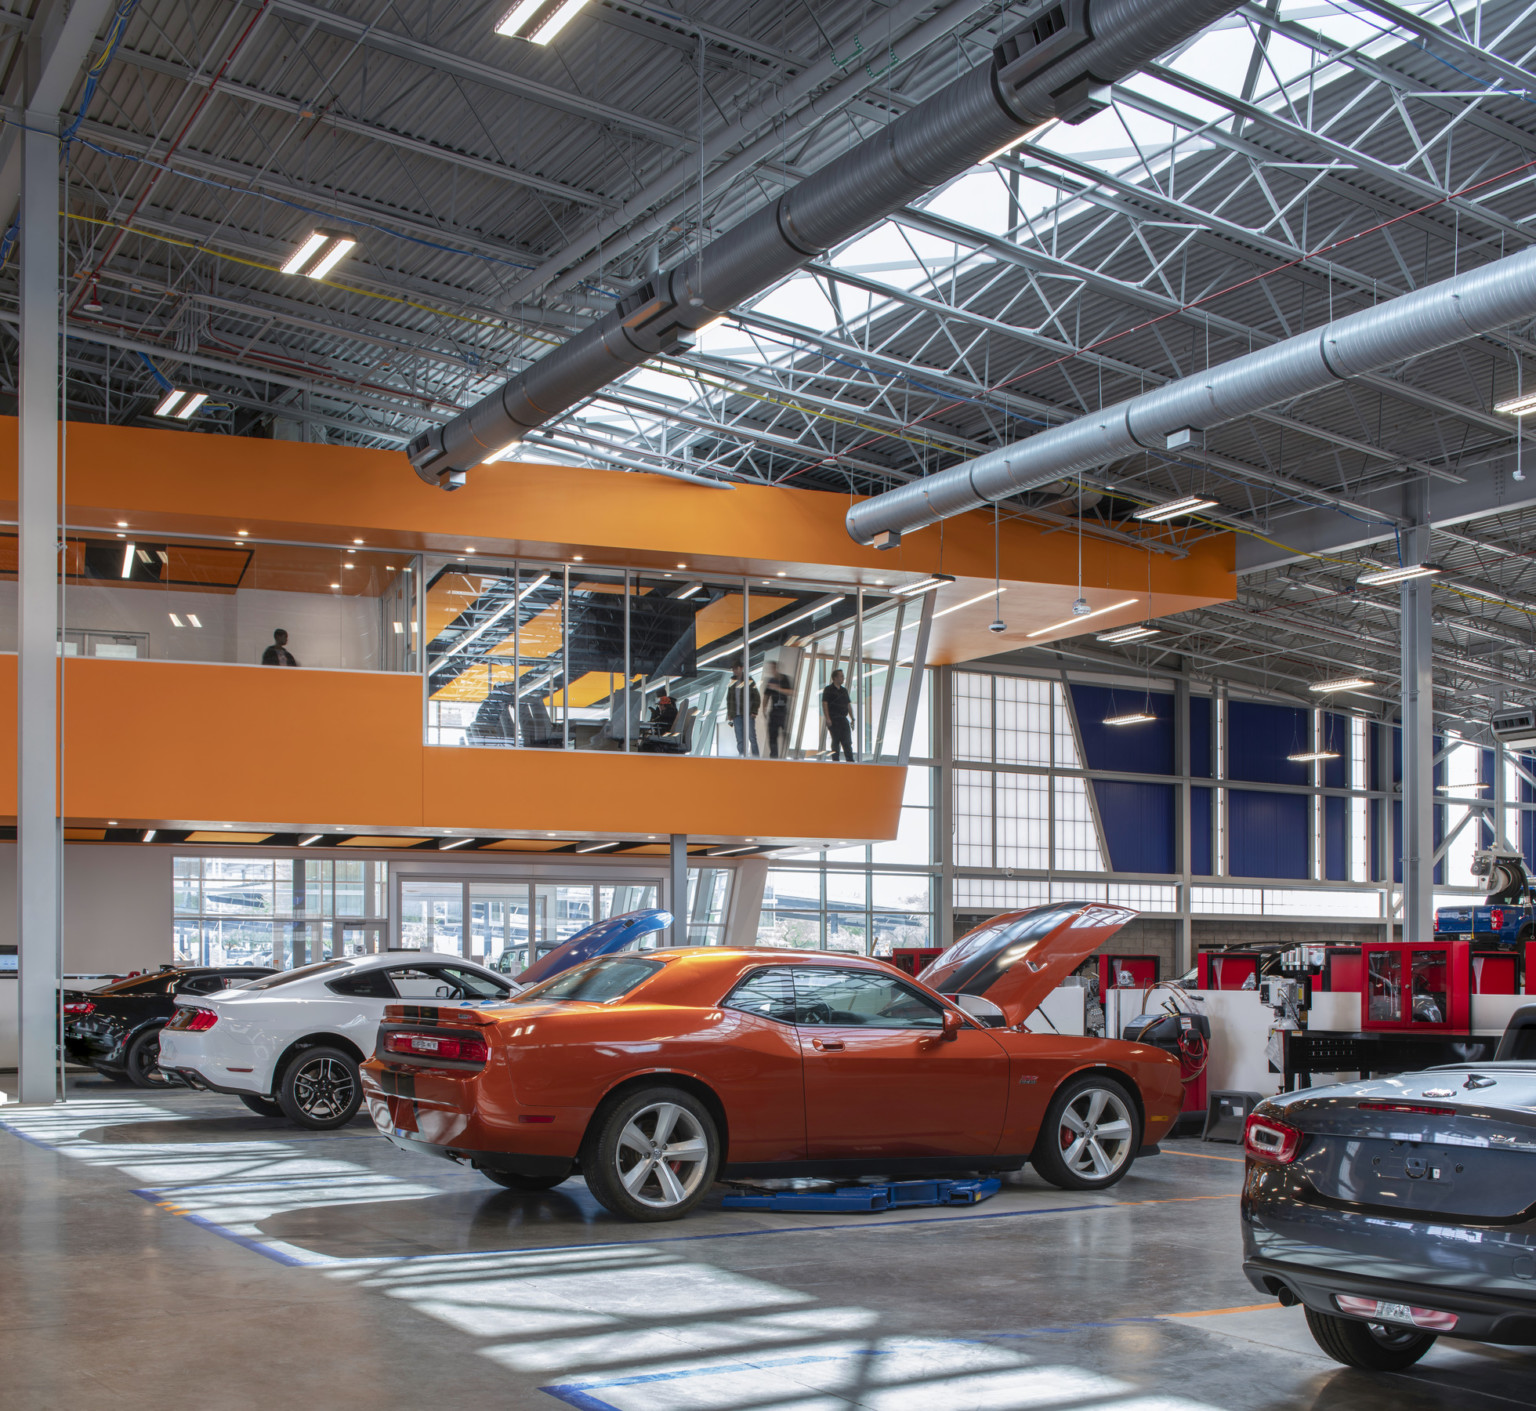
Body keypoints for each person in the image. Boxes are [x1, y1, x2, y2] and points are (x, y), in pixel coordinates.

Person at [726, 663, 760, 758]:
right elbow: (729, 699)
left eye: (736, 668)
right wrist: (729, 713)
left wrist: (754, 711)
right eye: (733, 669)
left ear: (741, 668)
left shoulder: (749, 681)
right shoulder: (732, 682)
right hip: (736, 715)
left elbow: (756, 697)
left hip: (748, 713)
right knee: (740, 738)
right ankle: (742, 757)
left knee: (751, 737)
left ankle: (756, 757)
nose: (734, 671)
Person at [821, 668, 855, 761]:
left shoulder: (844, 691)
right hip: (833, 719)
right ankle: (835, 761)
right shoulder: (828, 689)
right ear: (835, 678)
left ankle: (850, 761)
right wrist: (828, 718)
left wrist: (852, 718)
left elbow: (848, 704)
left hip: (843, 718)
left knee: (847, 741)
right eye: (841, 676)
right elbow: (825, 704)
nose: (843, 678)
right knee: (836, 741)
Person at [763, 659, 793, 759]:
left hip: (782, 711)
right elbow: (766, 695)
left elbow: (791, 692)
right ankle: (774, 756)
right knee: (772, 735)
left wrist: (777, 689)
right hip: (774, 711)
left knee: (784, 731)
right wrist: (764, 708)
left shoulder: (785, 679)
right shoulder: (770, 681)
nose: (772, 670)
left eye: (773, 668)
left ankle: (787, 752)